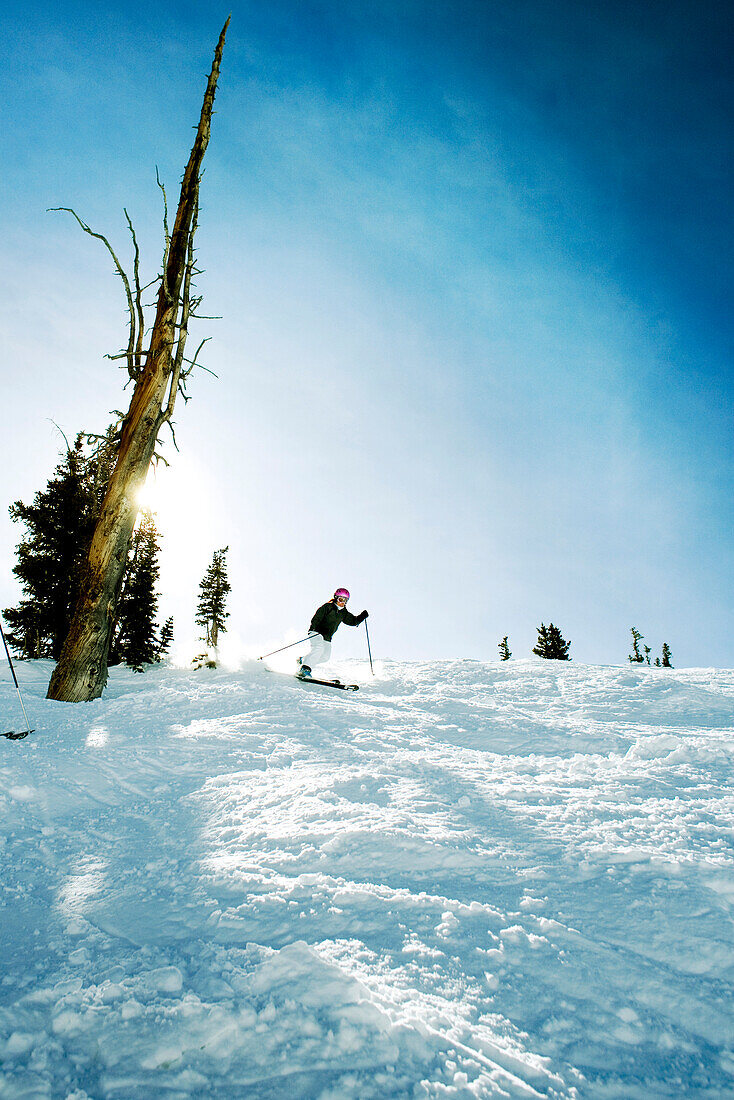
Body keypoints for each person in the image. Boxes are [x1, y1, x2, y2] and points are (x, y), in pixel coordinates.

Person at [298, 588, 368, 677]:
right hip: (316, 632)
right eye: (341, 599)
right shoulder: (328, 607)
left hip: (327, 637)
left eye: (345, 600)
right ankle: (305, 669)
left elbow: (353, 621)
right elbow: (316, 618)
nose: (343, 602)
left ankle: (303, 660)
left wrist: (362, 617)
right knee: (318, 648)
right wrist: (315, 629)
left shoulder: (344, 613)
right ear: (336, 598)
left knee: (325, 657)